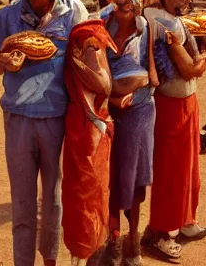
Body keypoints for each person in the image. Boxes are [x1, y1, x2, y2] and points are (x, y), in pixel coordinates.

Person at [0, 0, 88, 266]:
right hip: (18, 118)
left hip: (58, 119)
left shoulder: (75, 13)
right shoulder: (6, 17)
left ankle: (50, 261)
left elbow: (87, 65)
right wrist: (4, 61)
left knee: (54, 201)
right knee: (22, 204)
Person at [141, 0, 206, 260]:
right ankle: (161, 231)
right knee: (172, 170)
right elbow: (188, 69)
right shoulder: (165, 22)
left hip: (184, 103)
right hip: (171, 105)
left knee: (188, 167)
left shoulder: (165, 16)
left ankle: (185, 220)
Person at [96, 0, 157, 266]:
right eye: (117, 3)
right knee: (108, 180)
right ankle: (112, 239)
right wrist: (111, 98)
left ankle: (132, 240)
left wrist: (140, 89)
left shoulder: (149, 32)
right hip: (106, 116)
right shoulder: (99, 27)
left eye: (129, 3)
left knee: (133, 184)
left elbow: (160, 75)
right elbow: (87, 71)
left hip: (137, 116)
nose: (123, 9)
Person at [61, 19, 117, 265]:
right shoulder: (85, 50)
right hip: (86, 135)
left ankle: (89, 254)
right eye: (93, 49)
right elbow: (104, 85)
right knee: (83, 200)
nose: (98, 52)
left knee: (95, 196)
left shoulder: (86, 48)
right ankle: (81, 256)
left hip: (93, 132)